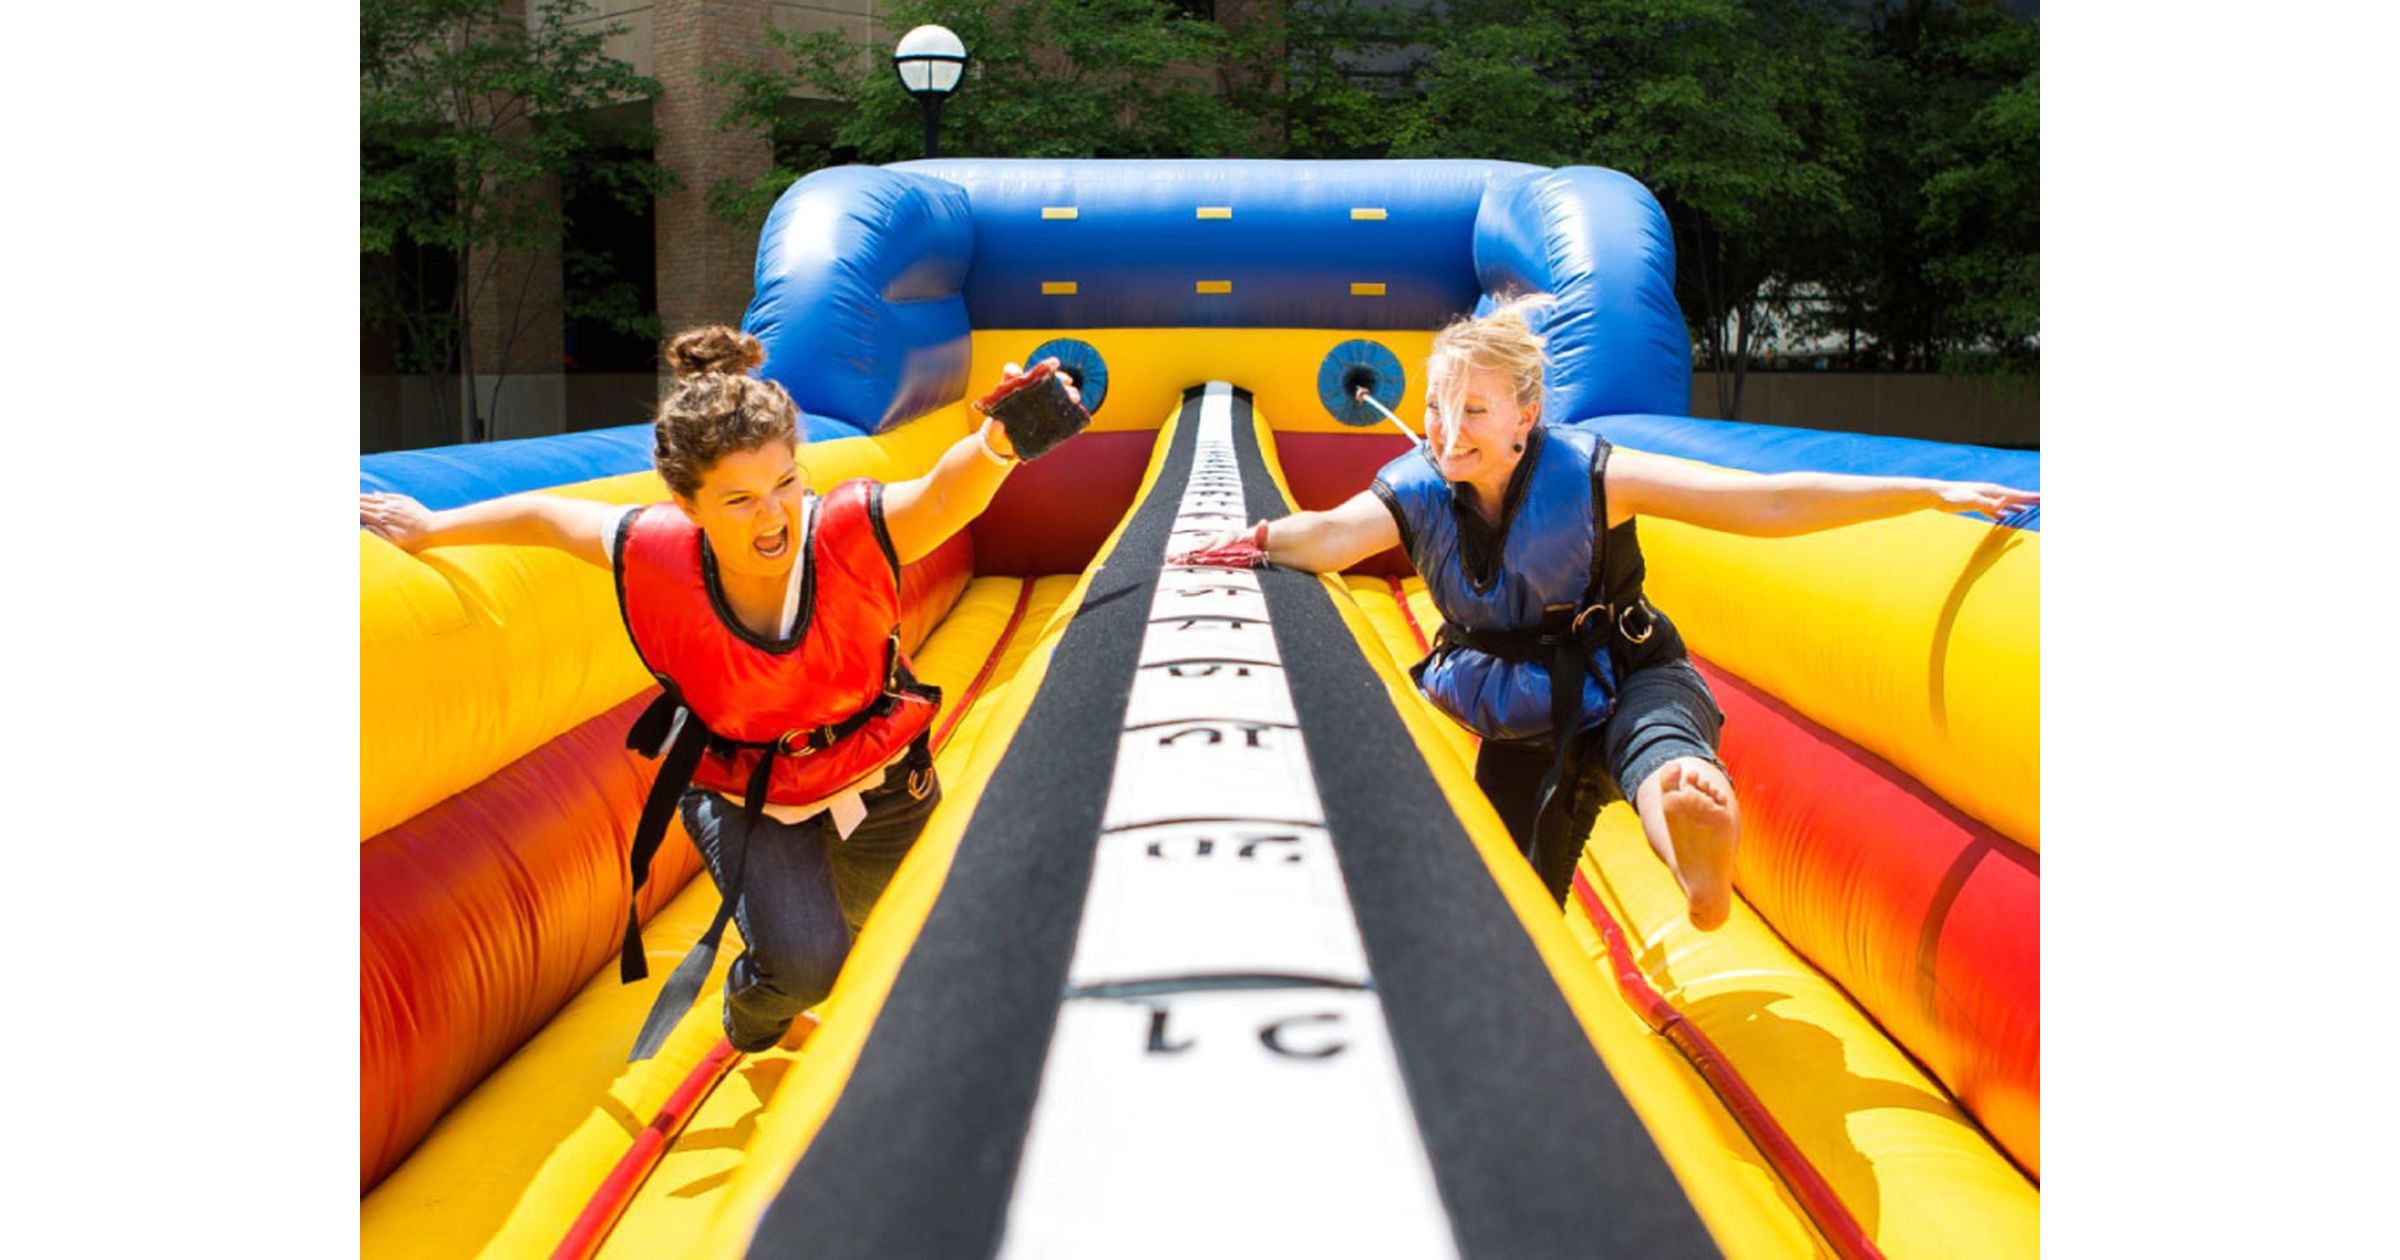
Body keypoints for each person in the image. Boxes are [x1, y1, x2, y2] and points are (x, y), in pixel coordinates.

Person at [1185, 296, 2037, 930]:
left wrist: (1924, 490)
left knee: (1659, 755)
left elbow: (1766, 504)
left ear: (1528, 416)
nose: (1448, 430)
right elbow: (1330, 536)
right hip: (1522, 715)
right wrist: (1254, 538)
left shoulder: (1600, 478)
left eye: (1475, 411)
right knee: (1510, 900)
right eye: (1441, 407)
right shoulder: (1419, 490)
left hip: (1631, 676)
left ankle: (1694, 848)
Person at [361, 327, 1077, 1057]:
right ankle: (756, 1008)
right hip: (750, 796)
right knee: (805, 967)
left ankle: (793, 981)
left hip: (878, 777)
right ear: (687, 503)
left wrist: (999, 442)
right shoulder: (650, 547)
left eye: (784, 483)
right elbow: (547, 517)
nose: (772, 516)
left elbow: (942, 495)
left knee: (894, 927)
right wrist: (431, 527)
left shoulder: (844, 532)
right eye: (738, 499)